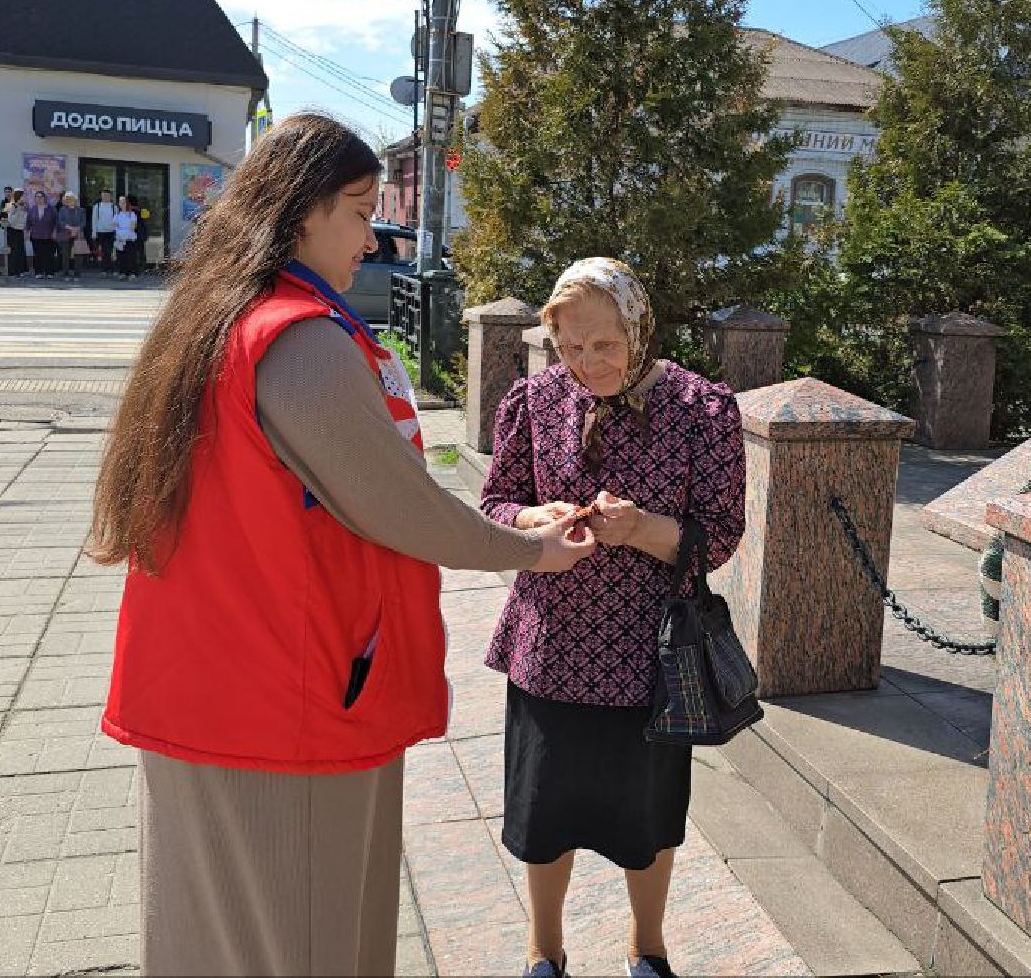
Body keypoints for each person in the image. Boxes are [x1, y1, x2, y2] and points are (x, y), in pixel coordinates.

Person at [87, 110, 597, 977]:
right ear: (301, 212)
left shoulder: (214, 318)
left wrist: (506, 522)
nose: (372, 237)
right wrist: (529, 549)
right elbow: (396, 507)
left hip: (207, 675)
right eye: (360, 212)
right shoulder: (301, 341)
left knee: (210, 933)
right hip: (290, 693)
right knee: (314, 937)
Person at [480, 257, 747, 978]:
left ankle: (647, 947)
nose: (586, 363)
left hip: (651, 655)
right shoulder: (534, 400)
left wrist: (641, 529)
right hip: (550, 645)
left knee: (646, 815)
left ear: (638, 328)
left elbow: (718, 532)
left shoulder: (702, 408)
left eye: (603, 344)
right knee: (544, 810)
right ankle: (544, 951)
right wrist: (537, 516)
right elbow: (495, 504)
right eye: (569, 346)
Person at [26, 189, 57, 278]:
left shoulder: (51, 209)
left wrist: (54, 232)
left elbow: (56, 222)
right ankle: (38, 272)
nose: (39, 199)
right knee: (38, 254)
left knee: (49, 254)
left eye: (41, 197)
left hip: (48, 235)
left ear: (44, 198)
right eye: (37, 197)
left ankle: (49, 272)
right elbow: (28, 223)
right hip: (36, 235)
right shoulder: (32, 209)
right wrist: (27, 232)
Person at [56, 192, 87, 281]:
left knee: (78, 254)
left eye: (71, 199)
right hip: (66, 234)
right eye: (67, 199)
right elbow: (61, 222)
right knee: (65, 254)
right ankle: (65, 273)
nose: (69, 200)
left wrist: (76, 229)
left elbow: (83, 222)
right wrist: (70, 228)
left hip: (78, 234)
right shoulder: (62, 209)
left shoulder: (81, 210)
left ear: (75, 200)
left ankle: (77, 273)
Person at [2, 189, 29, 278]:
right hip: (12, 230)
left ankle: (20, 270)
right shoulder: (11, 205)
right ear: (19, 196)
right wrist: (18, 209)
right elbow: (11, 221)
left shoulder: (23, 206)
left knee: (21, 251)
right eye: (23, 196)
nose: (24, 198)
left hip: (20, 230)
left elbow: (25, 219)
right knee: (14, 251)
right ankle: (12, 271)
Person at [112, 195, 141, 280]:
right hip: (120, 240)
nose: (122, 204)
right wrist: (121, 231)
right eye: (120, 202)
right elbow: (114, 226)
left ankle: (132, 273)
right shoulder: (117, 214)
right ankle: (122, 272)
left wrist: (121, 230)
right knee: (121, 257)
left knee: (131, 257)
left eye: (124, 202)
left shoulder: (132, 214)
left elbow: (132, 227)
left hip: (130, 239)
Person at [91, 189, 118, 276]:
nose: (105, 197)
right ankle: (105, 269)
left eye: (107, 195)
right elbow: (94, 220)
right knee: (103, 251)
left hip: (111, 232)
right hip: (101, 232)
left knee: (109, 251)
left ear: (110, 197)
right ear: (101, 196)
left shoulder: (114, 207)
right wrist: (94, 233)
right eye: (103, 195)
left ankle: (108, 268)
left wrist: (117, 232)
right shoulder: (97, 206)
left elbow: (117, 221)